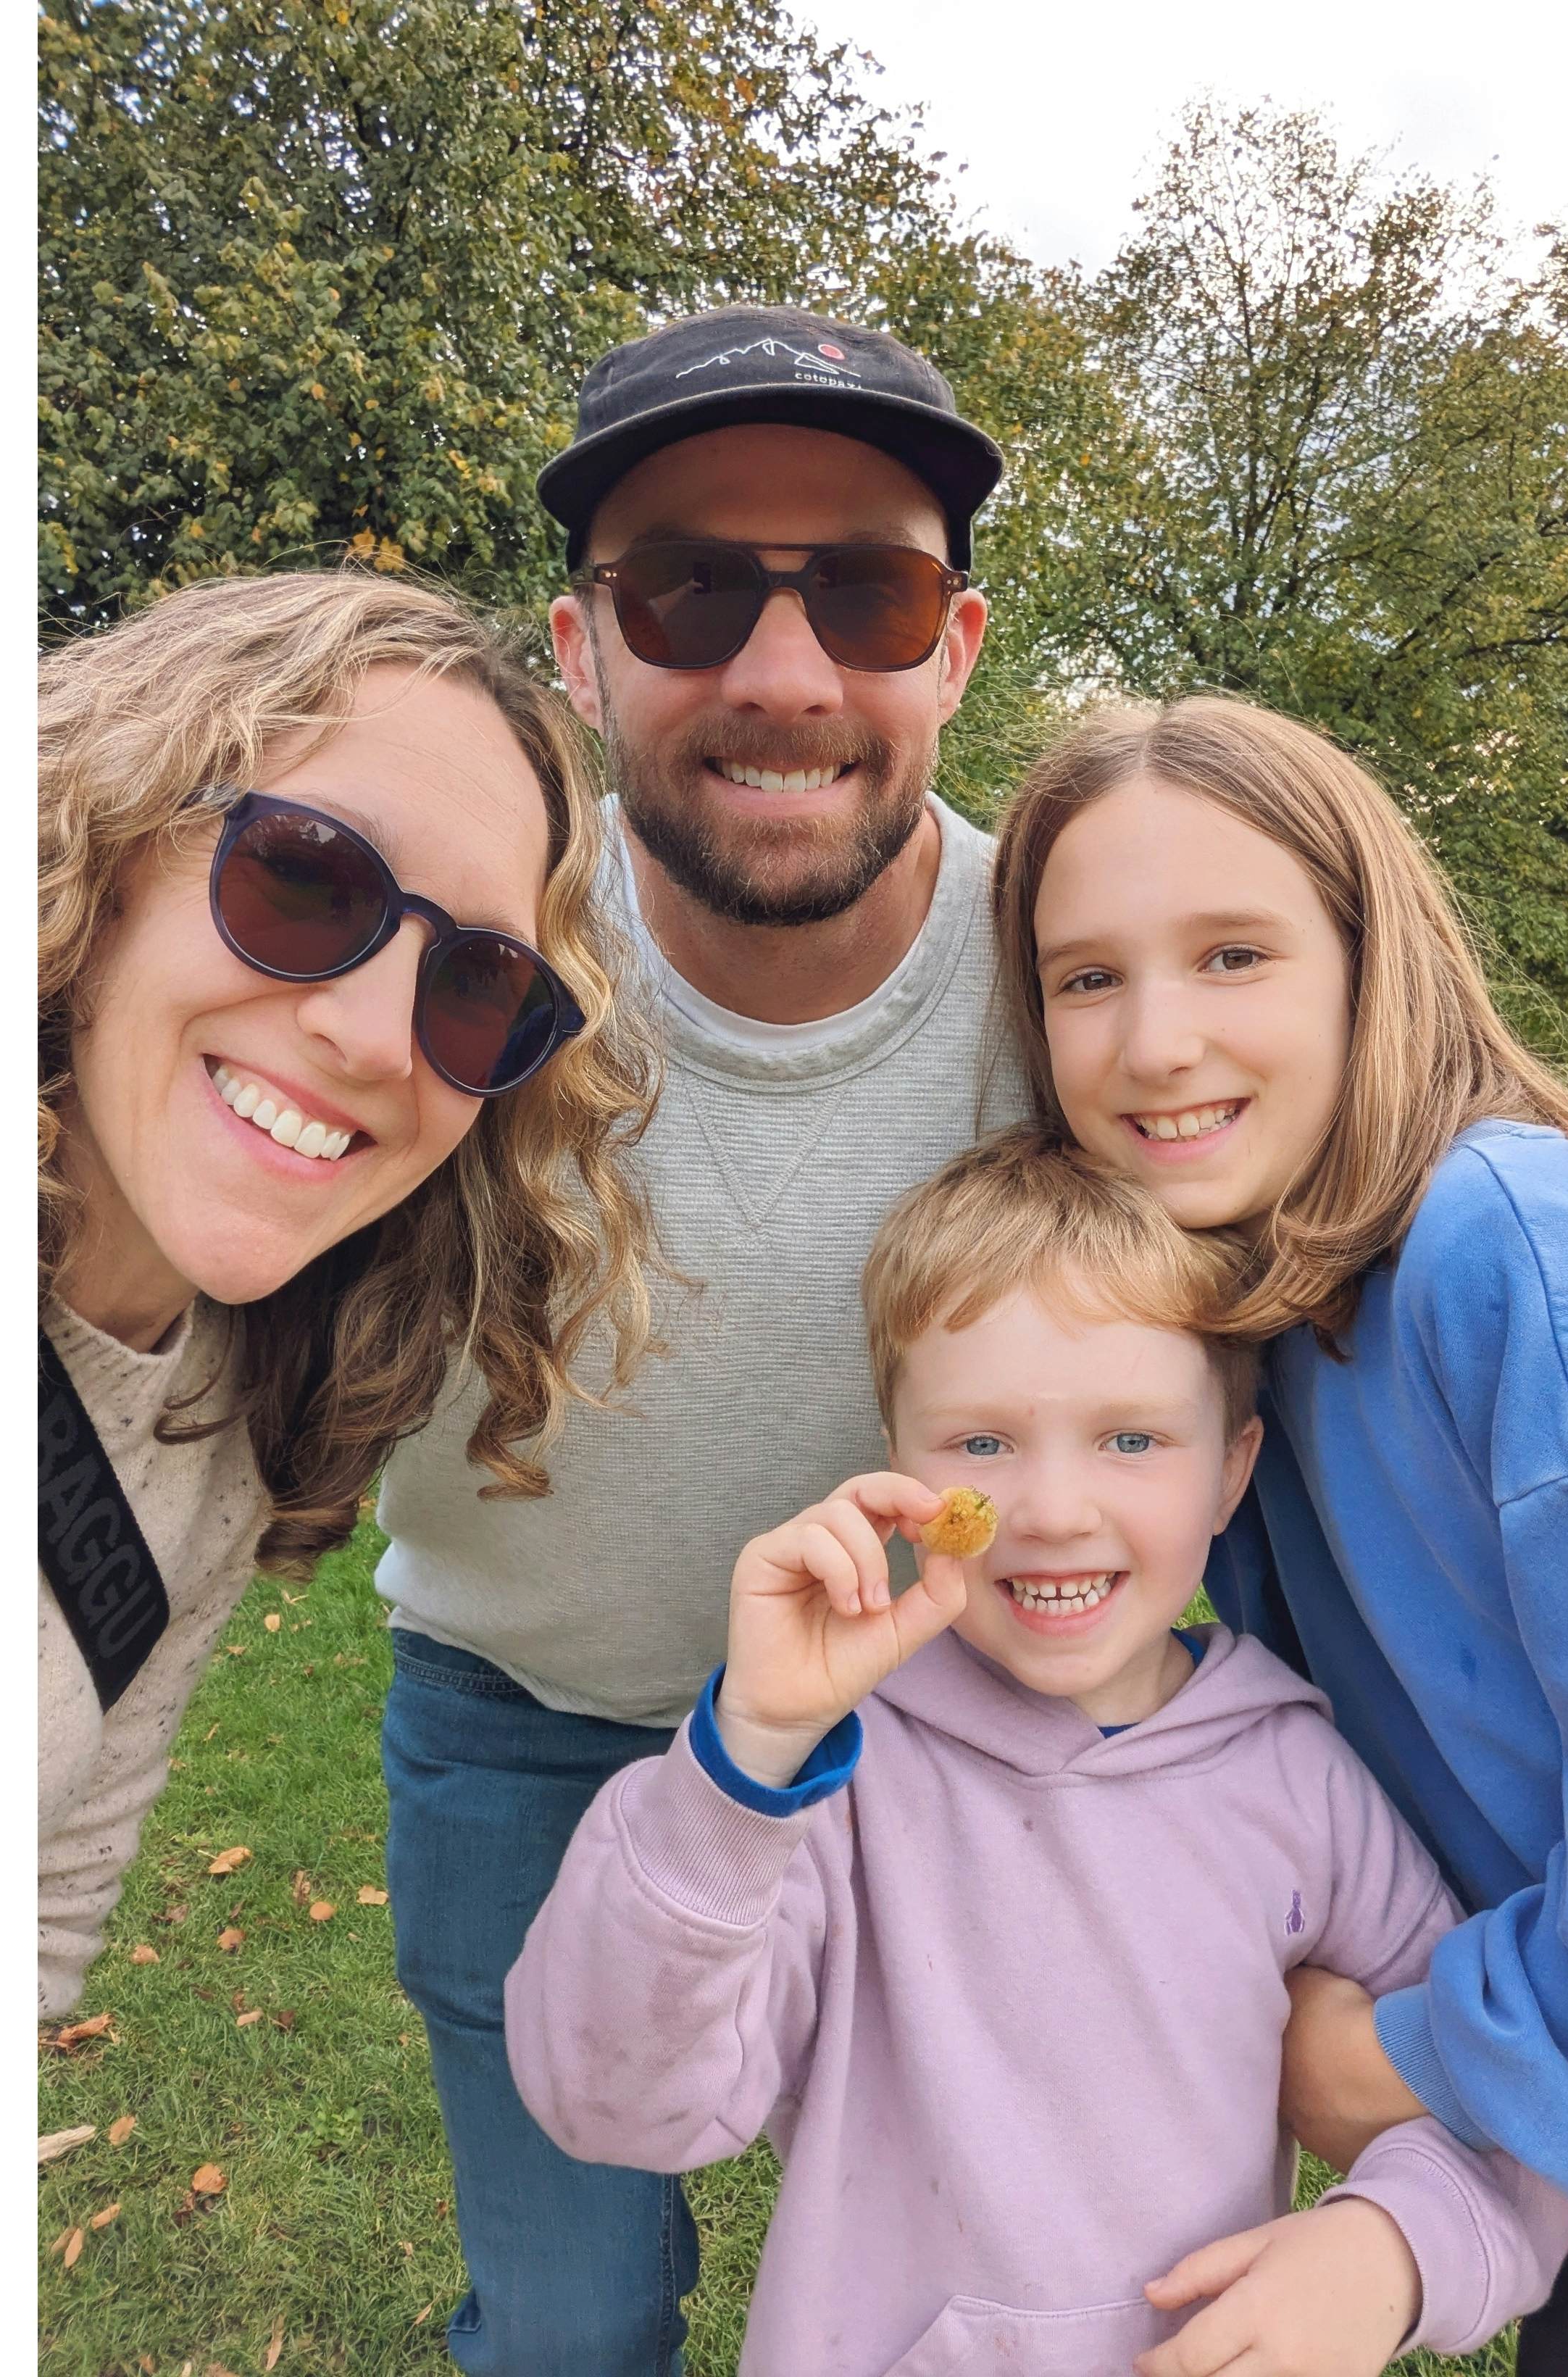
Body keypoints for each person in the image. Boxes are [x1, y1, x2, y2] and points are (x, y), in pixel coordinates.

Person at [988, 696, 1568, 2376]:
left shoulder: (1508, 1267)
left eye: (1233, 955)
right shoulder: (1275, 1304)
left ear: (1373, 966)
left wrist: (1408, 2057)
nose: (1153, 1041)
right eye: (1087, 977)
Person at [369, 307, 1028, 2373]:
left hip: (961, 1751)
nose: (780, 671)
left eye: (865, 587)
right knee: (568, 2335)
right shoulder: (429, 973)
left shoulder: (1090, 984)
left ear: (956, 649)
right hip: (530, 1735)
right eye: (686, 588)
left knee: (975, 2315)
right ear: (581, 652)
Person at [506, 1129, 1568, 2377]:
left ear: (1233, 1471)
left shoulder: (1301, 1779)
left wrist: (1390, 2251)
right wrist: (745, 1758)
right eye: (981, 1443)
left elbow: (1496, 2112)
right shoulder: (839, 1782)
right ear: (899, 1462)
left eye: (1133, 1439)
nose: (1055, 1510)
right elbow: (618, 2102)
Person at [38, 569, 656, 2022]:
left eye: (475, 981)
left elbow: (45, 1898)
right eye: (306, 879)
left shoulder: (228, 1421)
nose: (381, 1038)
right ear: (102, 842)